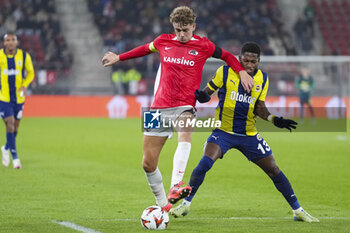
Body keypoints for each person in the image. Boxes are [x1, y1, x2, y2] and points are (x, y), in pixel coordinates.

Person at [102, 6, 254, 212]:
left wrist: (242, 72)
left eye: (185, 30)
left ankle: (176, 184)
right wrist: (119, 57)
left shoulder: (204, 45)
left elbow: (227, 56)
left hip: (184, 105)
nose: (181, 34)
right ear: (173, 27)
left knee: (185, 133)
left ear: (193, 26)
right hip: (158, 107)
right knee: (147, 163)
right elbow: (144, 49)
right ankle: (163, 205)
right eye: (178, 30)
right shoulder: (163, 41)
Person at [170, 42, 319, 223]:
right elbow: (207, 92)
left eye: (253, 61)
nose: (249, 64)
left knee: (273, 170)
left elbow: (260, 107)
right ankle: (186, 204)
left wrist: (274, 120)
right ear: (239, 58)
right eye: (245, 60)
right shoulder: (224, 72)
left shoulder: (262, 79)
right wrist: (203, 96)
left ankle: (298, 210)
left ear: (258, 61)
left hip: (249, 134)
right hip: (223, 132)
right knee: (204, 164)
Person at [0, 32, 34, 169]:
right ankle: (15, 158)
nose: (10, 42)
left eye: (13, 39)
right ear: (4, 43)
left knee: (15, 129)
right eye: (8, 40)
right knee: (10, 123)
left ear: (17, 42)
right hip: (4, 98)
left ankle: (6, 147)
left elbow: (31, 72)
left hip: (19, 99)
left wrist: (25, 85)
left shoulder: (24, 56)